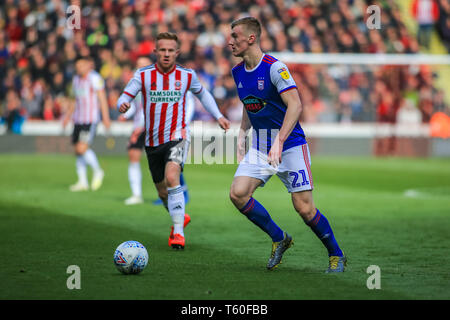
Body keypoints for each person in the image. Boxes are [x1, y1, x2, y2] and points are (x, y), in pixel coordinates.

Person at [228, 17, 346, 272]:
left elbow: (296, 105)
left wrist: (279, 141)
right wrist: (242, 132)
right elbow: (250, 103)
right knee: (238, 194)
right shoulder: (237, 72)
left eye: (235, 36)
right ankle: (280, 238)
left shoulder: (274, 67)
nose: (230, 41)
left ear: (251, 38)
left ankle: (336, 254)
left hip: (290, 143)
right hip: (261, 145)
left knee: (304, 209)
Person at [117, 32, 230, 250]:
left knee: (172, 176)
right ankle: (180, 217)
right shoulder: (143, 75)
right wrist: (122, 104)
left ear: (177, 52)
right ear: (155, 52)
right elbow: (124, 96)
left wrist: (219, 116)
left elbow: (204, 95)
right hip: (152, 142)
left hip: (178, 136)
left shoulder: (187, 75)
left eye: (171, 50)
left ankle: (178, 233)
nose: (167, 54)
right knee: (162, 192)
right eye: (163, 50)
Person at [120, 56, 192, 205]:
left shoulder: (168, 80)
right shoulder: (138, 80)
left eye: (143, 65)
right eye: (138, 65)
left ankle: (180, 193)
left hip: (164, 126)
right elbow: (134, 103)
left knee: (170, 162)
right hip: (141, 126)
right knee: (133, 154)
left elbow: (187, 100)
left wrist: (183, 122)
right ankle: (136, 194)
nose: (140, 67)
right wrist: (125, 112)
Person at [63, 57, 111, 192]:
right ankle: (82, 182)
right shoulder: (76, 80)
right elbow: (74, 100)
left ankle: (98, 171)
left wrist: (105, 118)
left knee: (81, 148)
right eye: (77, 66)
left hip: (90, 119)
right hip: (78, 119)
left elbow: (102, 98)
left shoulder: (95, 78)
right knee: (77, 151)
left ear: (88, 65)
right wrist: (67, 116)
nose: (79, 68)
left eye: (82, 65)